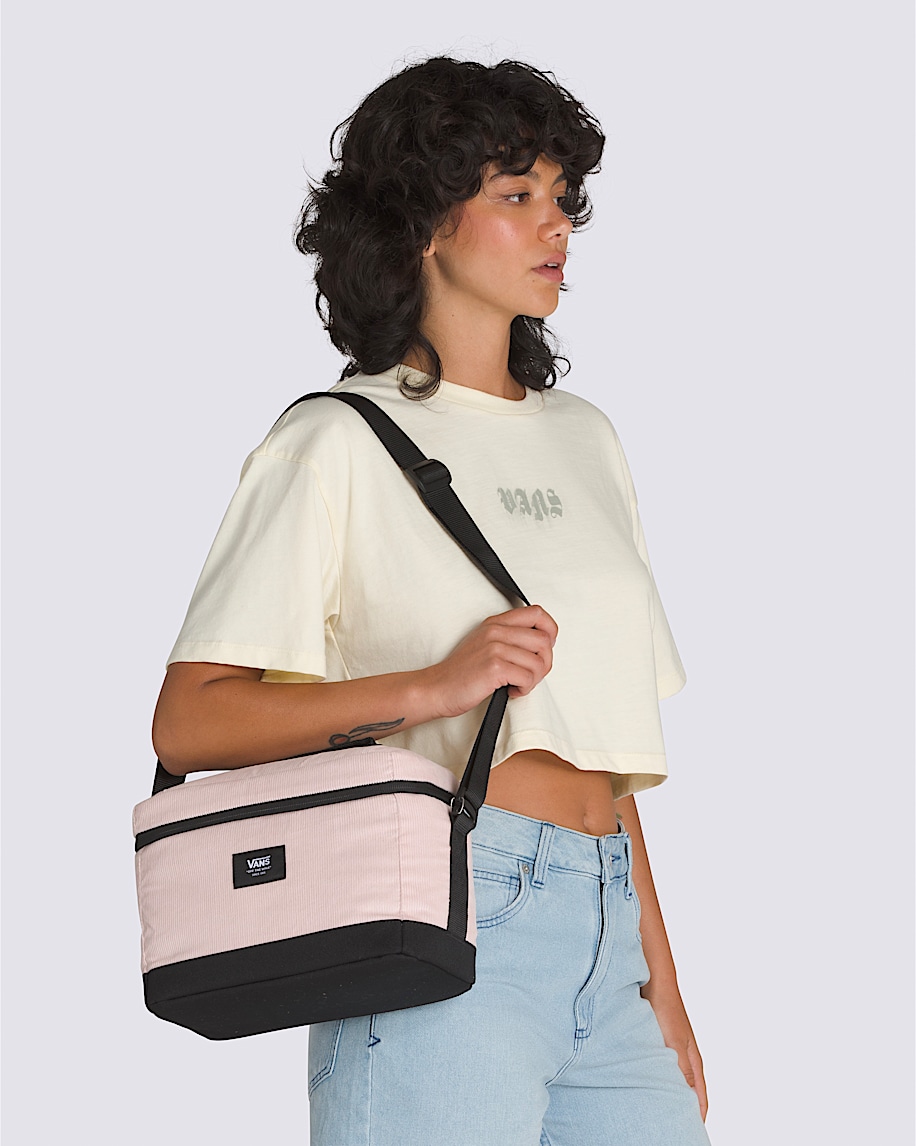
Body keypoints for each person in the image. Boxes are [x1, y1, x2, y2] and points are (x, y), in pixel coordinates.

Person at [153, 57, 711, 1146]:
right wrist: (432, 687)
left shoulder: (586, 439)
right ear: (422, 226)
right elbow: (189, 721)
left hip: (605, 932)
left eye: (563, 197)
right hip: (445, 905)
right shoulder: (331, 442)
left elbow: (602, 751)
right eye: (517, 194)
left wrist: (665, 989)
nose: (555, 224)